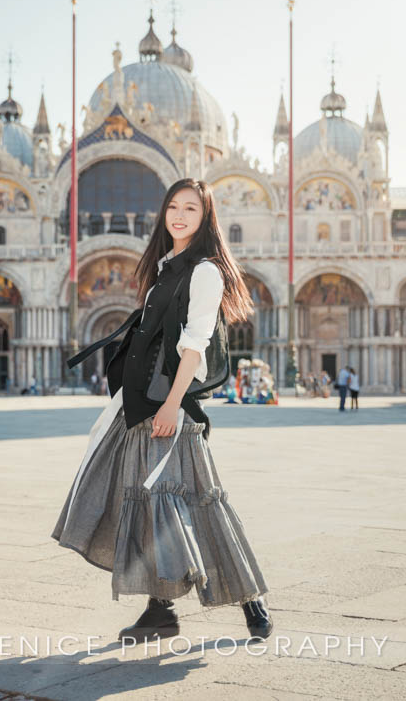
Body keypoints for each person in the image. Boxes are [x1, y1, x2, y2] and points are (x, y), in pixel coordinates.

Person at [52, 178, 272, 643]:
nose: (179, 215)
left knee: (200, 500)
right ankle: (160, 610)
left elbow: (195, 344)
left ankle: (250, 600)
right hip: (142, 403)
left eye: (191, 209)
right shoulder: (165, 267)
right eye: (173, 206)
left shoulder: (205, 271)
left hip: (171, 404)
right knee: (152, 500)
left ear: (205, 217)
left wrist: (173, 406)